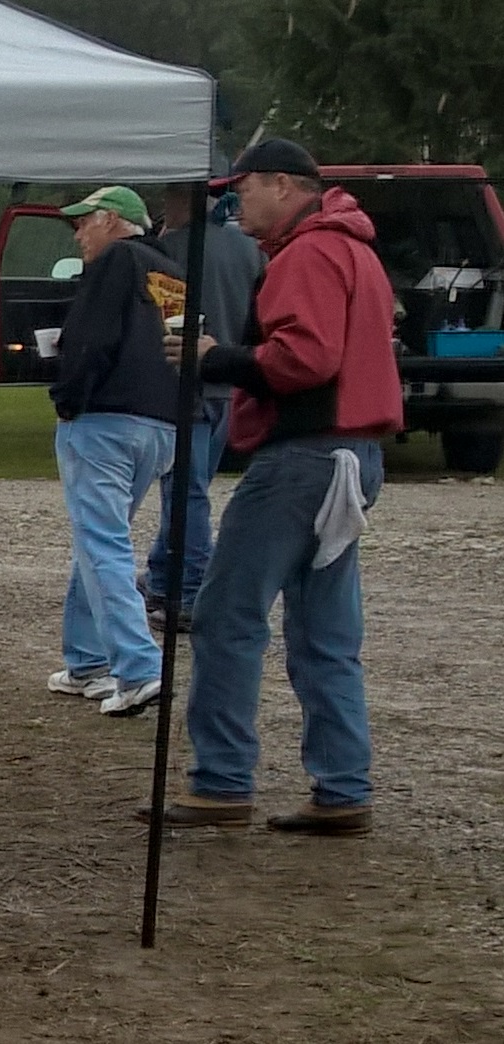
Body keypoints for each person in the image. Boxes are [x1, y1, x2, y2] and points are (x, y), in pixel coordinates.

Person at [156, 139, 402, 836]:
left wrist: (216, 358)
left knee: (225, 615)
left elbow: (306, 359)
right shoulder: (355, 248)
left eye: (244, 190)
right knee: (325, 633)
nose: (235, 205)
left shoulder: (307, 253)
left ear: (284, 186)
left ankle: (222, 781)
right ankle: (343, 787)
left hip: (303, 456)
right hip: (354, 452)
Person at [43, 186, 185, 717]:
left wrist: (66, 395)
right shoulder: (171, 270)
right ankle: (86, 661)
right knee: (100, 537)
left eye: (83, 223)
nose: (78, 234)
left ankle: (139, 668)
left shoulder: (115, 261)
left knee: (103, 543)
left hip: (104, 419)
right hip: (161, 421)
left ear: (111, 220)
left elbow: (92, 337)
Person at [143, 183, 265, 631]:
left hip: (185, 386)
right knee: (192, 487)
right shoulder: (250, 250)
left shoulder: (170, 250)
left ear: (181, 202)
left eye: (167, 200)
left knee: (184, 495)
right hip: (228, 384)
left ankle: (193, 591)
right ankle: (161, 576)